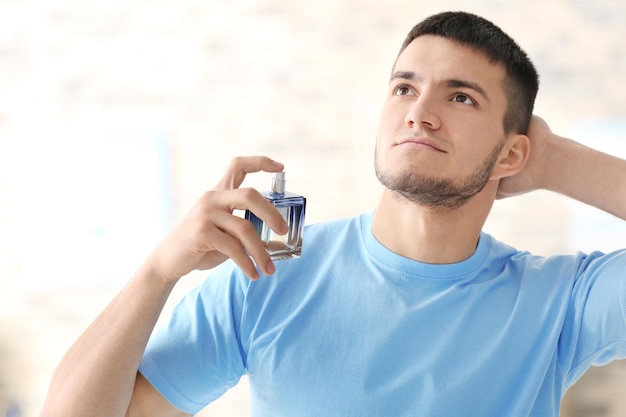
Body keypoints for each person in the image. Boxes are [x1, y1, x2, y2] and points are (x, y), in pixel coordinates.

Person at [40, 11, 626, 417]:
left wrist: (552, 159)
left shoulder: (558, 304)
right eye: (403, 88)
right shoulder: (268, 277)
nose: (419, 113)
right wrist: (156, 274)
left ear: (511, 151)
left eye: (460, 96)